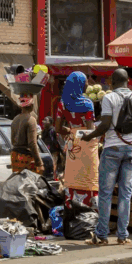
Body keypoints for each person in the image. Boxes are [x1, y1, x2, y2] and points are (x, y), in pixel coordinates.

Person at [82, 69, 132, 245]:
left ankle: (101, 236)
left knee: (106, 193)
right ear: (127, 81)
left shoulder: (109, 98)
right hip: (131, 149)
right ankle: (122, 236)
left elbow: (106, 124)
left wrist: (90, 136)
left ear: (112, 81)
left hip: (112, 149)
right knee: (125, 193)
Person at [54, 72, 99, 210]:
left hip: (73, 145)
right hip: (87, 146)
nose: (87, 85)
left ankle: (72, 207)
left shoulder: (62, 104)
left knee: (73, 177)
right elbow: (90, 131)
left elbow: (57, 128)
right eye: (85, 82)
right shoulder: (87, 104)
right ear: (79, 85)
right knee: (89, 177)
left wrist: (71, 131)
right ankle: (90, 210)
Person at [10, 96, 44, 174]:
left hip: (14, 155)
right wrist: (39, 163)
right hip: (26, 157)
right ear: (31, 105)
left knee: (18, 182)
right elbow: (32, 143)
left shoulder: (15, 119)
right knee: (29, 183)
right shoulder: (31, 120)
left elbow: (12, 141)